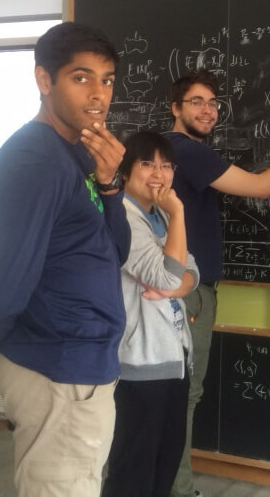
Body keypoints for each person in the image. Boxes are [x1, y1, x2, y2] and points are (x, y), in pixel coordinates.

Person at [0, 22, 130, 497]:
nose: (98, 95)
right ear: (44, 80)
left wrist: (109, 184)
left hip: (80, 365)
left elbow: (115, 253)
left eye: (107, 80)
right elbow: (10, 276)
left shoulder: (76, 155)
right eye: (81, 77)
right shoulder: (35, 161)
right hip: (57, 367)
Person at [165, 69, 270, 497]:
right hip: (188, 290)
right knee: (185, 395)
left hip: (172, 285)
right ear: (175, 108)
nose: (208, 110)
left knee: (170, 392)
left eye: (212, 103)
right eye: (197, 101)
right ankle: (177, 489)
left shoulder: (166, 150)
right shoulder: (187, 151)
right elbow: (260, 187)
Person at [102, 131, 199, 497]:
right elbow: (168, 274)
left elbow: (192, 271)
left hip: (173, 358)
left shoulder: (159, 214)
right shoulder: (123, 215)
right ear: (126, 170)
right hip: (140, 365)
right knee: (133, 470)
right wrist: (179, 213)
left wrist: (177, 284)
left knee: (164, 465)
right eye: (147, 163)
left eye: (166, 165)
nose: (158, 173)